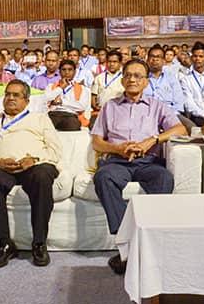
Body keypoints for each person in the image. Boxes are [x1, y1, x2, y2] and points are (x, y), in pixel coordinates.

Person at [92, 58, 186, 274]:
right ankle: (128, 243)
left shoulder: (156, 106)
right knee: (103, 178)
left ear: (146, 82)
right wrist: (117, 148)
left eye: (137, 76)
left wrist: (152, 140)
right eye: (128, 75)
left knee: (164, 178)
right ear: (122, 80)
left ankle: (151, 240)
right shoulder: (110, 107)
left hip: (147, 161)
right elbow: (96, 141)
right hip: (118, 160)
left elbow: (180, 129)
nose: (132, 79)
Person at [0, 80, 62, 268]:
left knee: (42, 175)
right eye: (7, 94)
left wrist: (34, 159)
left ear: (27, 101)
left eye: (16, 95)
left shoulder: (40, 119)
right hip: (5, 168)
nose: (10, 98)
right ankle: (4, 244)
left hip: (34, 167)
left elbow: (56, 150)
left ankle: (39, 243)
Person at [45, 59, 90, 131]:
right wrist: (61, 87)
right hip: (53, 114)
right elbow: (45, 102)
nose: (67, 72)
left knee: (72, 124)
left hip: (70, 115)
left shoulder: (82, 88)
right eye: (64, 70)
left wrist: (61, 102)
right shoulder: (51, 86)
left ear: (75, 72)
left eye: (70, 70)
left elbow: (81, 106)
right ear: (59, 72)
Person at [144, 44, 185, 115]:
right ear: (147, 60)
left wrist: (170, 115)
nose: (155, 59)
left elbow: (179, 102)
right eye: (152, 56)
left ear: (163, 61)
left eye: (158, 57)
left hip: (170, 114)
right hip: (147, 114)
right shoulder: (141, 78)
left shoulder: (171, 78)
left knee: (189, 123)